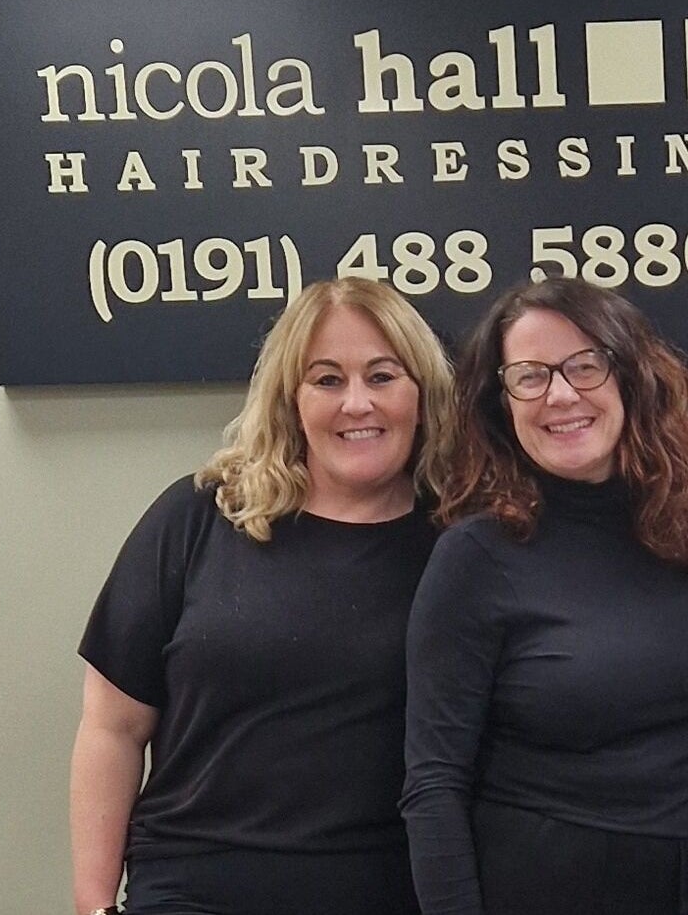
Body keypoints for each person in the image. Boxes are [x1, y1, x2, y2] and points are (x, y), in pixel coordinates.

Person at [69, 278, 455, 915]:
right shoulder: (201, 516)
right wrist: (93, 904)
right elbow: (112, 727)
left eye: (383, 376)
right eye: (327, 380)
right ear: (290, 399)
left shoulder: (460, 544)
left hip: (384, 890)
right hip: (191, 889)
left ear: (422, 394)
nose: (357, 403)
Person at [401, 277, 688, 915]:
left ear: (631, 377)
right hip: (543, 886)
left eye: (585, 365)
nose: (561, 394)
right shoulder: (475, 557)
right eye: (530, 376)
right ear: (501, 402)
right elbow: (434, 784)